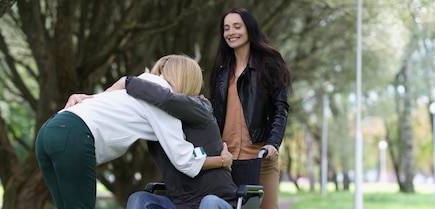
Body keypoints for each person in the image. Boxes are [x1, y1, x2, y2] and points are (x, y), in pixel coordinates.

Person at [35, 54, 232, 209]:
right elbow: (185, 161)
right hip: (75, 136)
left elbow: (117, 89)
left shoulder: (139, 85)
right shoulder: (161, 103)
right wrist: (223, 160)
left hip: (49, 131)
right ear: (189, 81)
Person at [208, 7, 292, 209]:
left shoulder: (270, 63)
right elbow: (215, 110)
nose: (231, 32)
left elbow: (281, 107)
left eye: (237, 26)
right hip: (226, 159)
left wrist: (273, 143)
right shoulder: (221, 68)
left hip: (260, 157)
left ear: (249, 29)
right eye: (226, 28)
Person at [122, 76, 237, 209]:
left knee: (209, 202)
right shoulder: (158, 122)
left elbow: (165, 99)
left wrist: (127, 82)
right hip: (180, 204)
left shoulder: (201, 107)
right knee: (138, 199)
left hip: (219, 201)